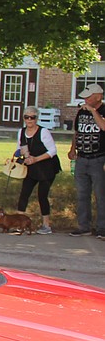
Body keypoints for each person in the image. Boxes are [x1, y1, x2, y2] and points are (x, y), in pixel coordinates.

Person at [67, 83, 105, 238]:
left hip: (98, 158)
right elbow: (77, 132)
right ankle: (84, 226)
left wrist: (93, 111)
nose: (85, 100)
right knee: (82, 194)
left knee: (101, 195)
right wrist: (72, 148)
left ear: (98, 96)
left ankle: (102, 228)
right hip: (82, 158)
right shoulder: (81, 112)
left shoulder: (101, 110)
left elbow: (103, 126)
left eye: (88, 97)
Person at [16, 105, 60, 234]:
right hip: (31, 168)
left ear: (36, 118)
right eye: (26, 117)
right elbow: (21, 148)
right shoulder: (21, 132)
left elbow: (52, 150)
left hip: (47, 168)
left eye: (32, 117)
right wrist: (24, 158)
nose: (29, 120)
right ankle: (20, 222)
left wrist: (36, 159)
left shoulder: (43, 132)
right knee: (24, 193)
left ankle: (46, 225)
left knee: (42, 195)